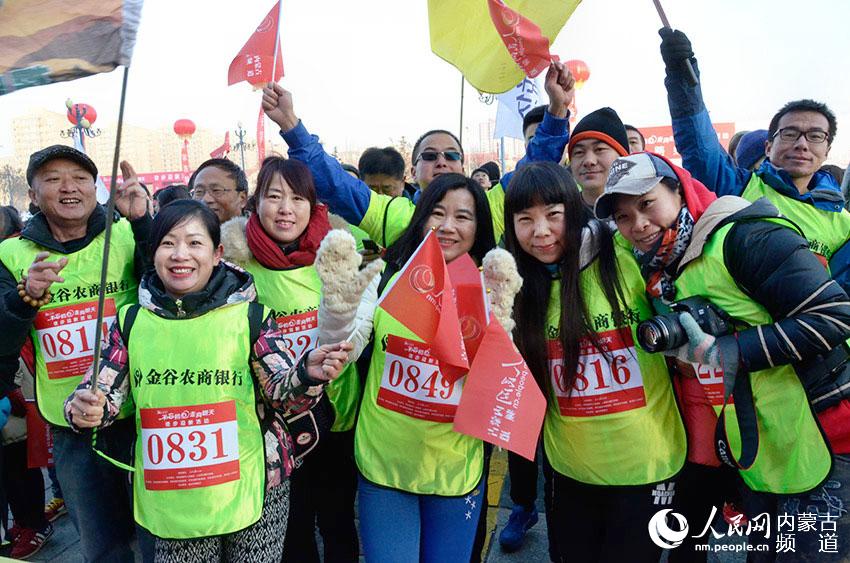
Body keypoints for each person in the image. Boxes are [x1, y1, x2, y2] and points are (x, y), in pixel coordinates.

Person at [65, 199, 352, 562]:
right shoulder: (130, 322)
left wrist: (307, 373)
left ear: (217, 253)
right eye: (167, 243)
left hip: (255, 484)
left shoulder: (251, 317)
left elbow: (281, 392)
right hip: (174, 492)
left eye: (194, 243)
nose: (180, 254)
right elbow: (102, 391)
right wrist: (84, 408)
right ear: (153, 253)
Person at [597, 151, 850, 561]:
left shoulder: (744, 235)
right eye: (623, 217)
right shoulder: (666, 268)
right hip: (766, 443)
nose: (638, 225)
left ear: (677, 192)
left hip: (827, 434)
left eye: (646, 204)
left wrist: (728, 350)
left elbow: (834, 314)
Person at [504, 161, 686, 562]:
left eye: (554, 215)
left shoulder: (621, 252)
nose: (541, 231)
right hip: (570, 471)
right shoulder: (513, 287)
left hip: (650, 464)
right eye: (525, 219)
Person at [220, 156, 379, 563]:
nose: (285, 208)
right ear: (255, 203)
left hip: (335, 413)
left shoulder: (339, 253)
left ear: (314, 205)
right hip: (271, 422)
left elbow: (360, 326)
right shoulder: (233, 266)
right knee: (291, 527)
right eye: (274, 196)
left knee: (339, 519)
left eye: (297, 197)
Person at [333, 173, 498, 562]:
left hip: (455, 468)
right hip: (384, 464)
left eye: (464, 217)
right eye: (437, 213)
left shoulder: (493, 287)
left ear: (480, 227)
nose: (448, 227)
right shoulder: (385, 274)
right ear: (421, 216)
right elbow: (352, 340)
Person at [0, 146, 150, 562]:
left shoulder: (125, 233)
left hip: (145, 416)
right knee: (103, 547)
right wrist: (23, 297)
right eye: (52, 179)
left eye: (80, 177)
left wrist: (144, 222)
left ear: (96, 188)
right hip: (74, 430)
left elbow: (171, 292)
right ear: (32, 195)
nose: (69, 187)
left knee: (163, 541)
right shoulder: (10, 257)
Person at [260, 61, 574, 246]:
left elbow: (538, 165)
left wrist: (558, 108)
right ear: (412, 172)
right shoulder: (395, 217)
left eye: (452, 156)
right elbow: (334, 183)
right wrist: (290, 124)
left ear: (463, 167)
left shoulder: (493, 208)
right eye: (430, 156)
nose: (441, 161)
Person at [659, 28, 850, 293]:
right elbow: (699, 148)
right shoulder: (739, 188)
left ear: (827, 150)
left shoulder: (843, 224)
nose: (802, 144)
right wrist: (682, 77)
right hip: (738, 333)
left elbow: (840, 302)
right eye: (790, 133)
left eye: (815, 136)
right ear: (769, 147)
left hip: (807, 332)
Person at [561, 107, 631, 208]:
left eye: (599, 149)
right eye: (579, 152)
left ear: (623, 157)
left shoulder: (642, 210)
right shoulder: (562, 215)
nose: (589, 161)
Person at [189, 158, 249, 223]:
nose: (205, 199)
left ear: (242, 199)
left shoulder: (255, 232)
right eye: (199, 192)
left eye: (216, 190)